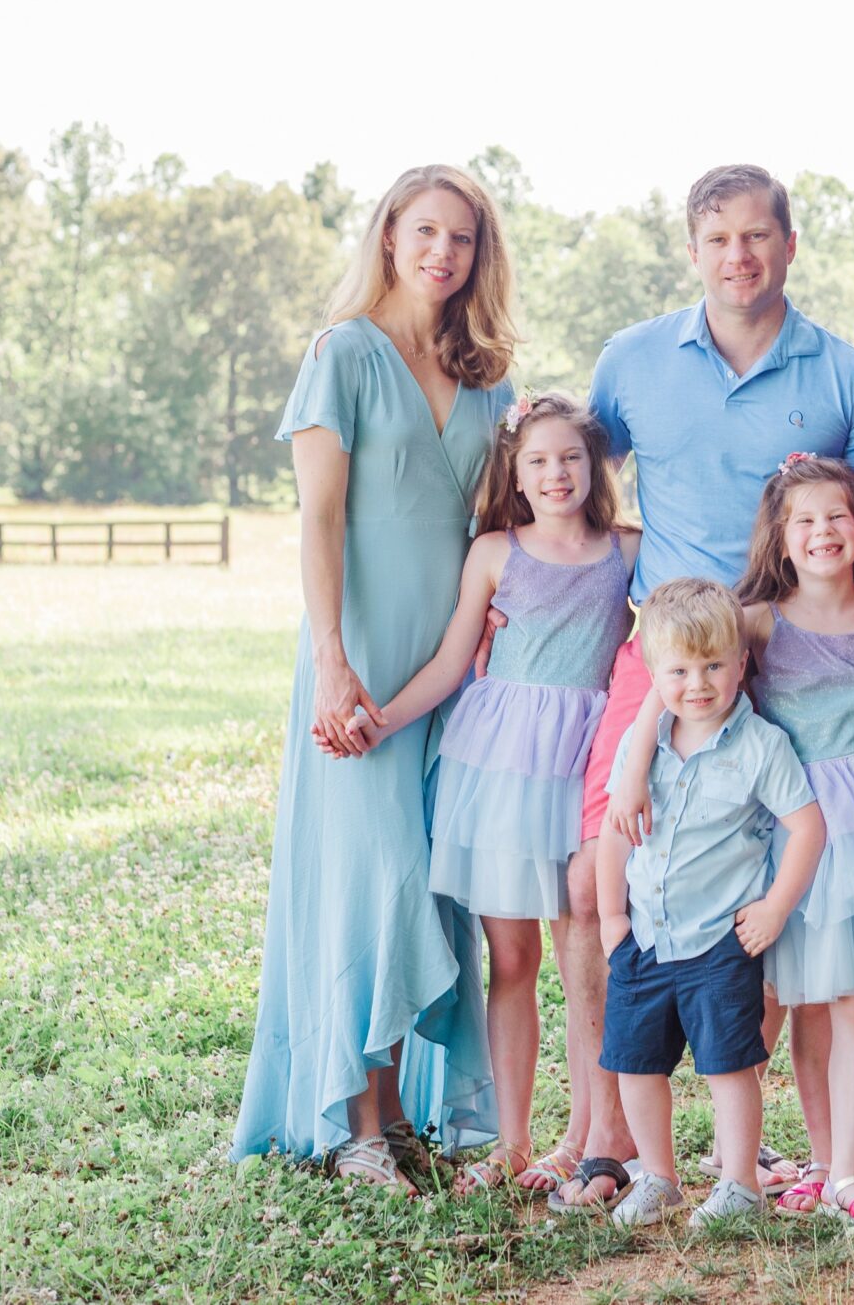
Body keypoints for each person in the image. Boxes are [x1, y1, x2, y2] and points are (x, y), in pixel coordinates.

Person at [534, 163, 854, 1207]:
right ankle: (606, 1136)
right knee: (595, 878)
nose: (738, 256)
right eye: (718, 238)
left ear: (789, 243)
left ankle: (743, 1149)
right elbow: (571, 481)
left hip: (789, 664)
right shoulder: (633, 360)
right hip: (662, 657)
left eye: (757, 235)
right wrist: (514, 596)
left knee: (768, 896)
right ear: (692, 250)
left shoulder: (842, 372)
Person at [231, 164, 518, 1190]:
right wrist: (331, 661)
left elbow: (502, 522)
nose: (443, 252)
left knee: (432, 880)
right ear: (389, 236)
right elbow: (317, 518)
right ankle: (356, 1121)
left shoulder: (490, 376)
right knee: (374, 876)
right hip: (359, 654)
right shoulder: (341, 354)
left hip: (453, 665)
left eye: (463, 238)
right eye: (425, 231)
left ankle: (396, 1115)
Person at [613, 456, 854, 1227]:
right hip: (784, 835)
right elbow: (670, 683)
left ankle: (848, 1174)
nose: (822, 532)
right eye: (803, 520)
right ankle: (815, 1161)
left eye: (836, 516)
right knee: (801, 1002)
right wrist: (633, 770)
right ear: (779, 537)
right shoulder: (757, 621)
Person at [345, 393, 639, 1198]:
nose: (556, 474)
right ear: (515, 470)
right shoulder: (494, 553)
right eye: (537, 461)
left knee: (585, 946)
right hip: (502, 764)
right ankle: (512, 1140)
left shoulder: (626, 549)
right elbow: (451, 662)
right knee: (513, 958)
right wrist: (382, 719)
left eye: (571, 458)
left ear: (596, 466)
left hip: (586, 760)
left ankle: (590, 1136)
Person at [593, 579, 826, 1229]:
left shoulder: (760, 747)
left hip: (719, 942)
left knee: (730, 1067)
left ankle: (739, 1184)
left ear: (741, 663)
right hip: (646, 937)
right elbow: (615, 833)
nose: (697, 684)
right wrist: (612, 917)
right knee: (635, 1064)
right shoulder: (642, 749)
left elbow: (807, 827)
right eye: (679, 671)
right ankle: (658, 1177)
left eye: (713, 666)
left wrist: (776, 907)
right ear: (653, 674)